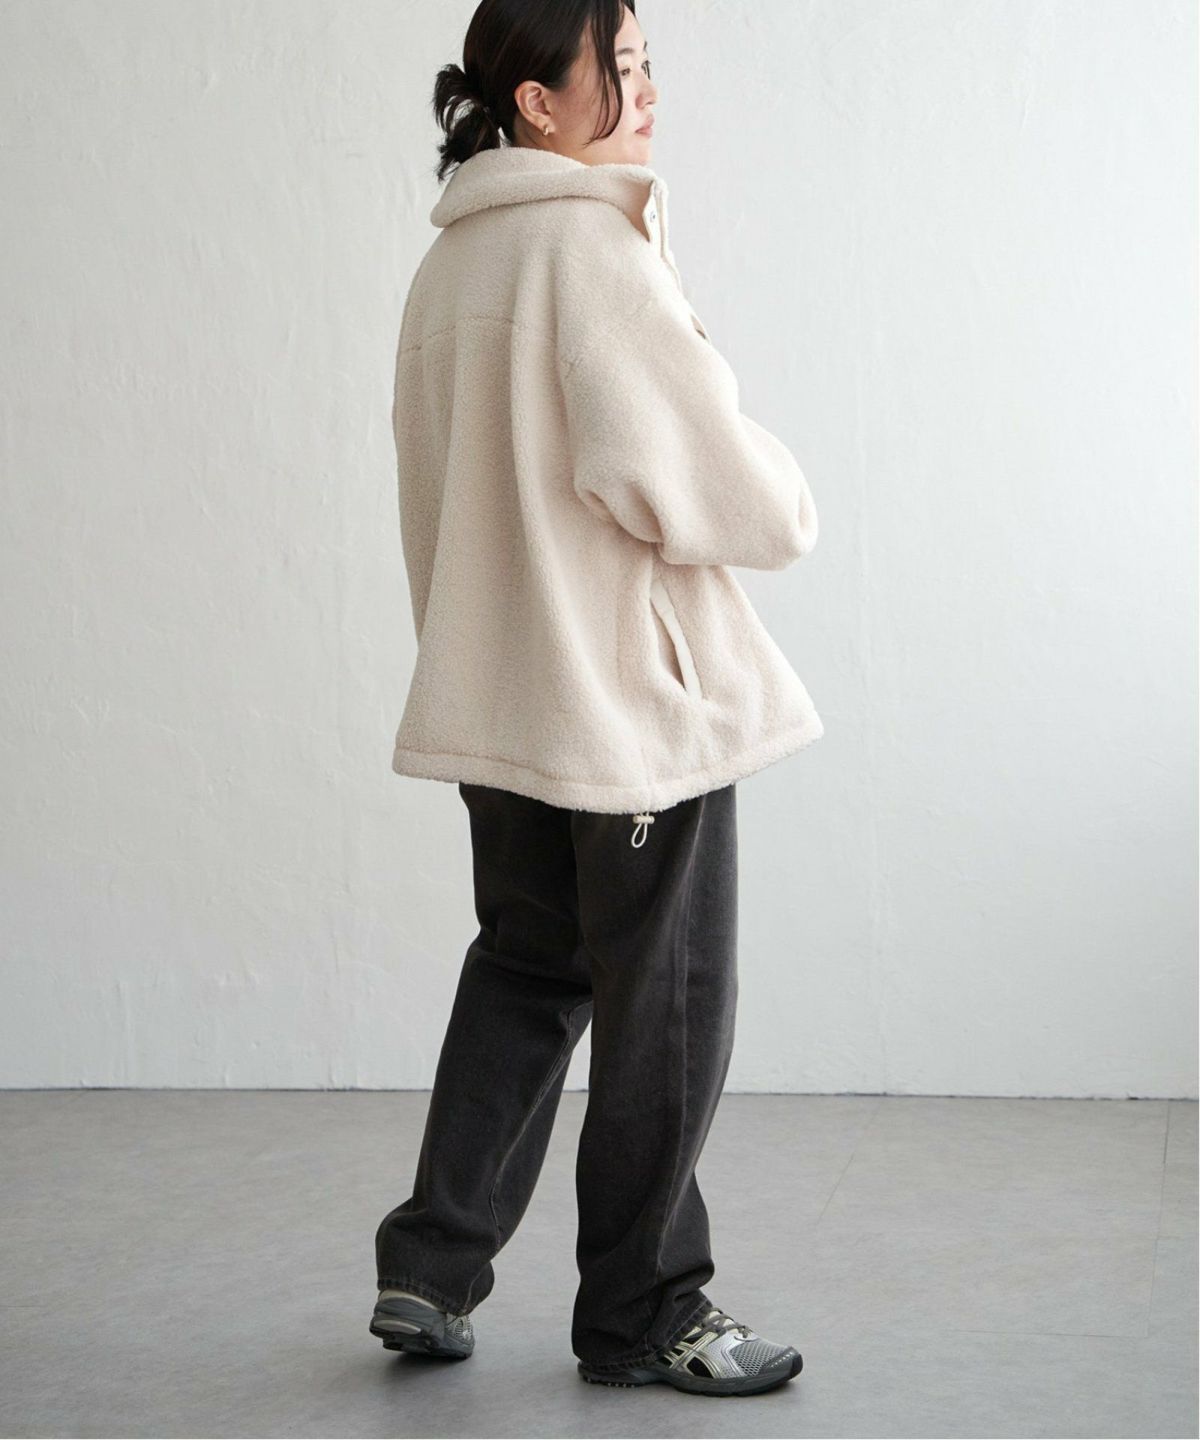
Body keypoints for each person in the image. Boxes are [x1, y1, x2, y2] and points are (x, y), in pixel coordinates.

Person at [371, 0, 821, 1399]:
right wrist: (784, 491)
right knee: (664, 1001)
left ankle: (430, 1263)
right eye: (615, 67)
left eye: (645, 62)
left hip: (501, 706)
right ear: (536, 103)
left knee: (526, 966)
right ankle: (645, 1310)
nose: (644, 90)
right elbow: (709, 485)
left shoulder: (449, 269)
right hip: (625, 714)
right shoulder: (590, 251)